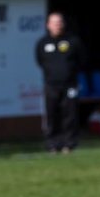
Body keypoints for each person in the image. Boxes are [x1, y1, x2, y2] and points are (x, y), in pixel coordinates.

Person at [35, 12, 87, 154]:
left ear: (63, 24)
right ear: (48, 25)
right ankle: (52, 144)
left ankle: (68, 144)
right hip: (51, 85)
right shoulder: (42, 43)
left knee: (70, 114)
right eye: (54, 22)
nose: (57, 25)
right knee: (52, 114)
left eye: (59, 22)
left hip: (69, 84)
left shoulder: (72, 41)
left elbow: (81, 59)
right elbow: (40, 61)